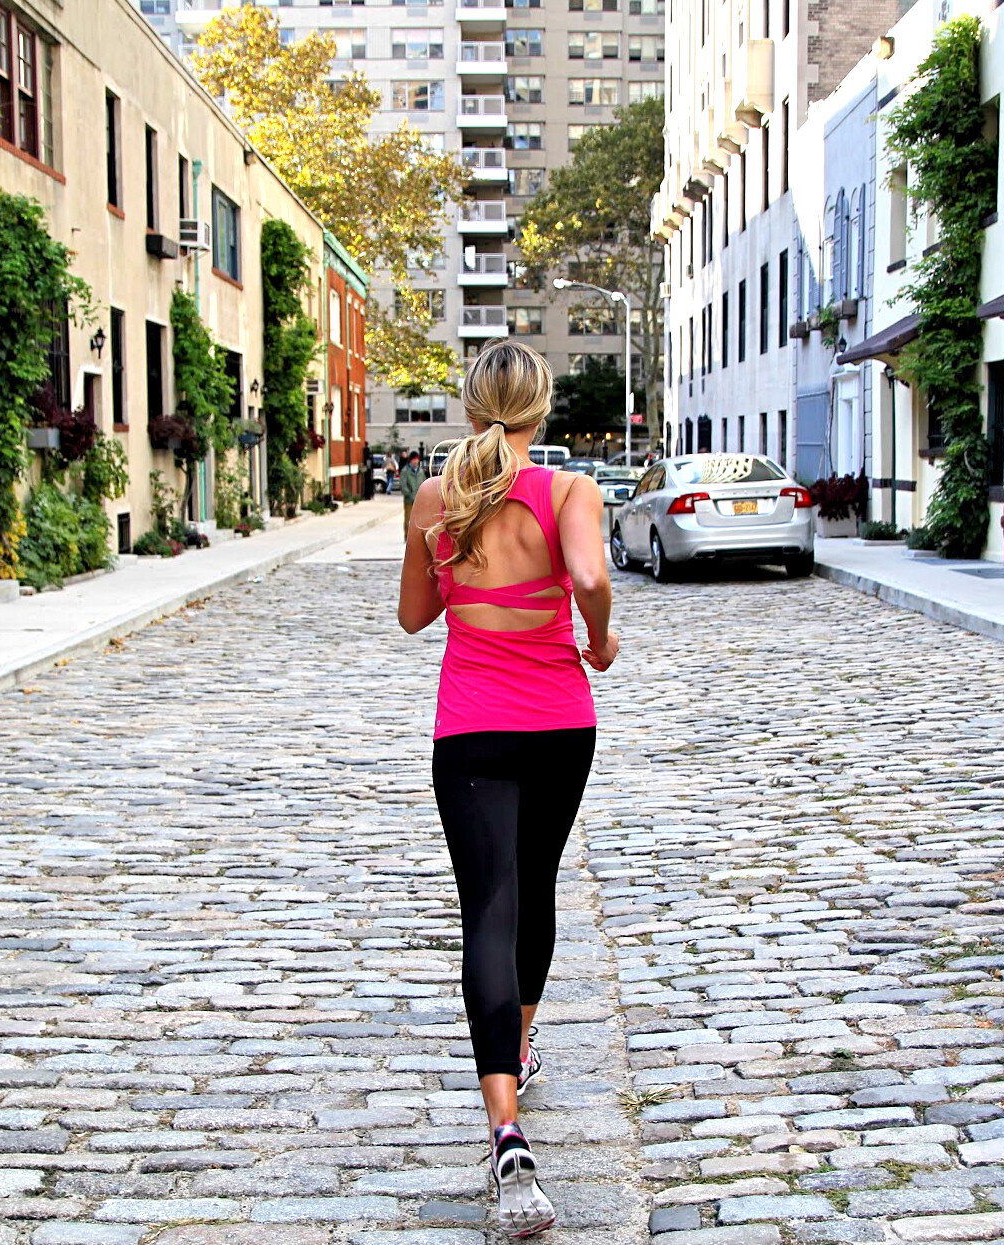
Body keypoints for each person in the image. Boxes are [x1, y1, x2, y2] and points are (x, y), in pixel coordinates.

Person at [396, 339, 619, 1238]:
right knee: (536, 890)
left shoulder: (435, 497)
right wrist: (598, 637)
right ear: (543, 406)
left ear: (469, 404)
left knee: (488, 906)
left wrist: (447, 557)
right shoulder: (568, 492)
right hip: (560, 724)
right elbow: (591, 576)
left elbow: (414, 616)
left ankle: (505, 1128)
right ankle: (519, 1047)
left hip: (471, 729)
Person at [397, 450, 427, 537]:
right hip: (409, 499)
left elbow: (424, 482)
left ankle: (418, 537)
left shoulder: (420, 471)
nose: (415, 461)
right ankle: (407, 536)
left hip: (419, 499)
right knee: (408, 519)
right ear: (410, 460)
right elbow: (403, 485)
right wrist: (409, 494)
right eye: (414, 459)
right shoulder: (405, 471)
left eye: (417, 459)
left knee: (419, 519)